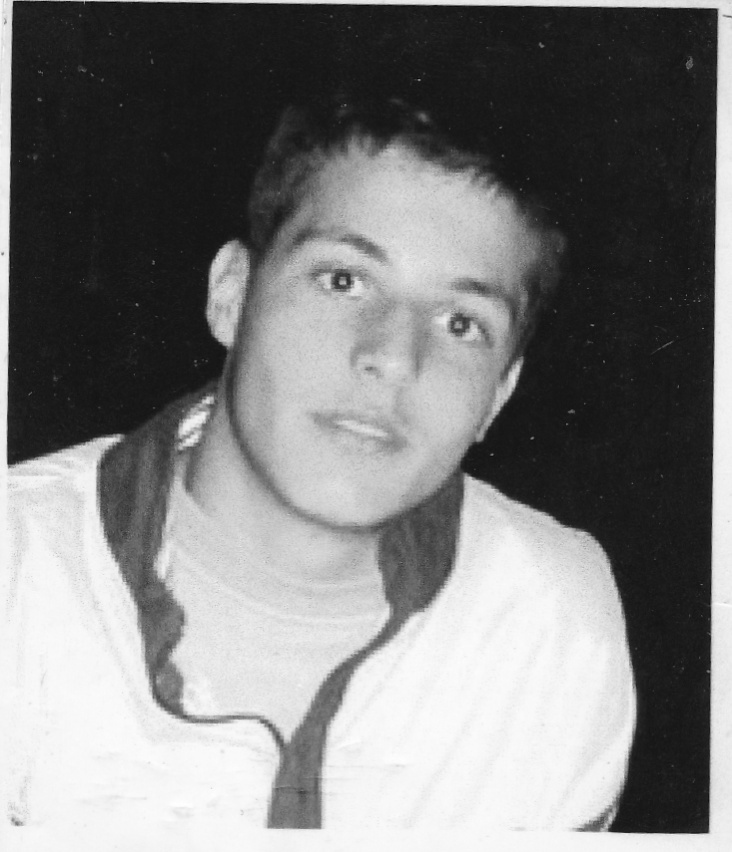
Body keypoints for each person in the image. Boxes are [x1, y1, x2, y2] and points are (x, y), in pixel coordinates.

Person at [2, 93, 635, 830]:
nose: (393, 357)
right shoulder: (21, 577)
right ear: (232, 295)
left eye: (461, 322)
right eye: (344, 280)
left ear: (500, 392)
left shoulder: (553, 625)